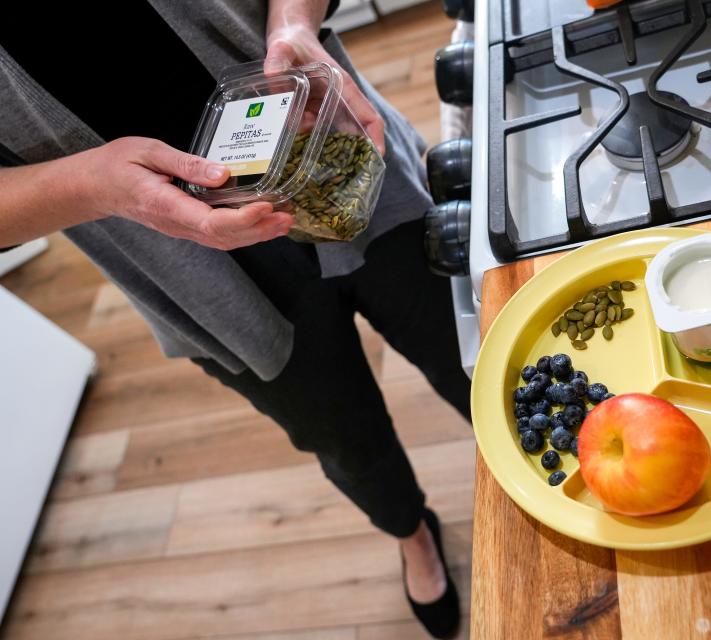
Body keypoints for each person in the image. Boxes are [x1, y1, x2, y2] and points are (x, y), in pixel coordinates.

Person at [0, 2, 468, 637]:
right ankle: (410, 532)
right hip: (186, 269)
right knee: (342, 433)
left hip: (325, 142)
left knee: (463, 343)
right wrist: (93, 185)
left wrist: (293, 25)